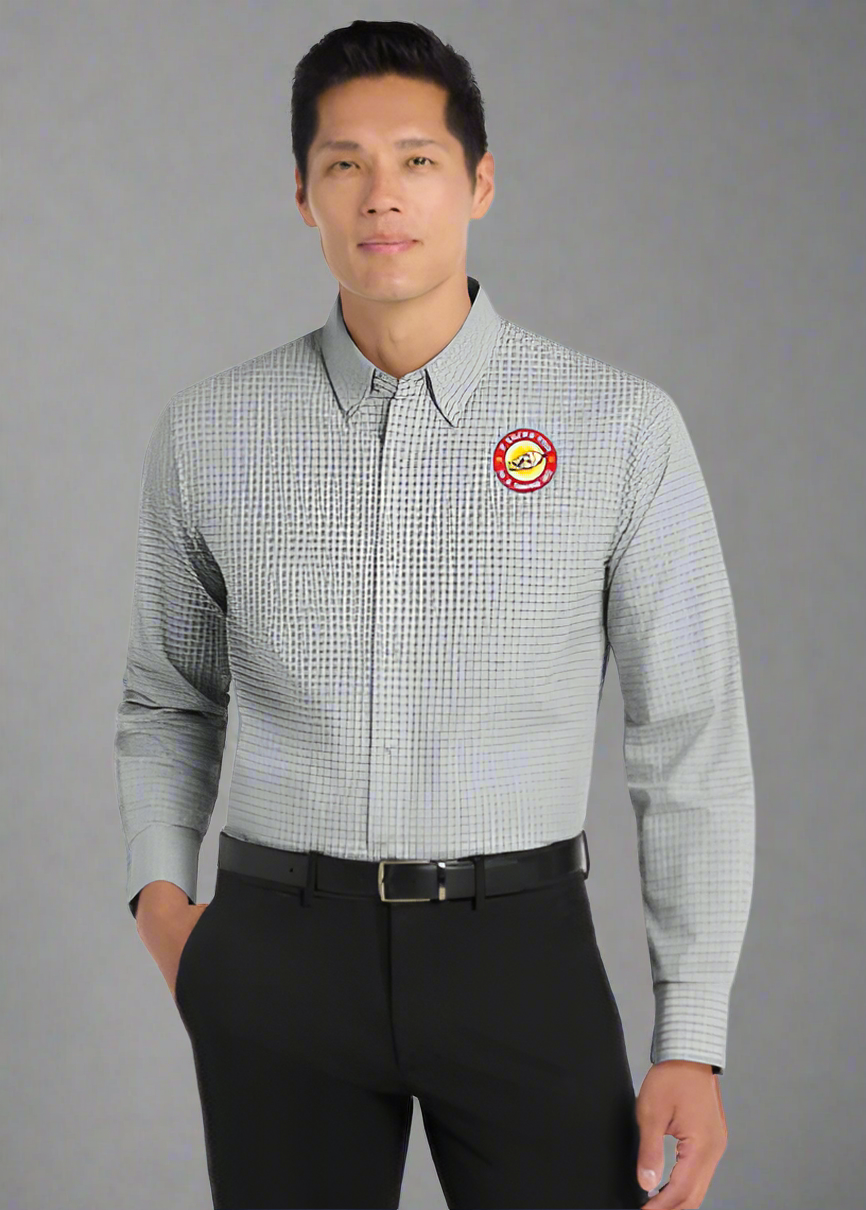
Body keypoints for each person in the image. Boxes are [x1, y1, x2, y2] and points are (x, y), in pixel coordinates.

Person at [114, 18, 753, 1210]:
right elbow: (168, 700)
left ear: (479, 182)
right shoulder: (209, 434)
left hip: (519, 952)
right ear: (302, 195)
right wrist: (164, 906)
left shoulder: (618, 429)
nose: (381, 194)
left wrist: (692, 1035)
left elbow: (689, 743)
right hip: (276, 956)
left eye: (416, 158)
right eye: (343, 163)